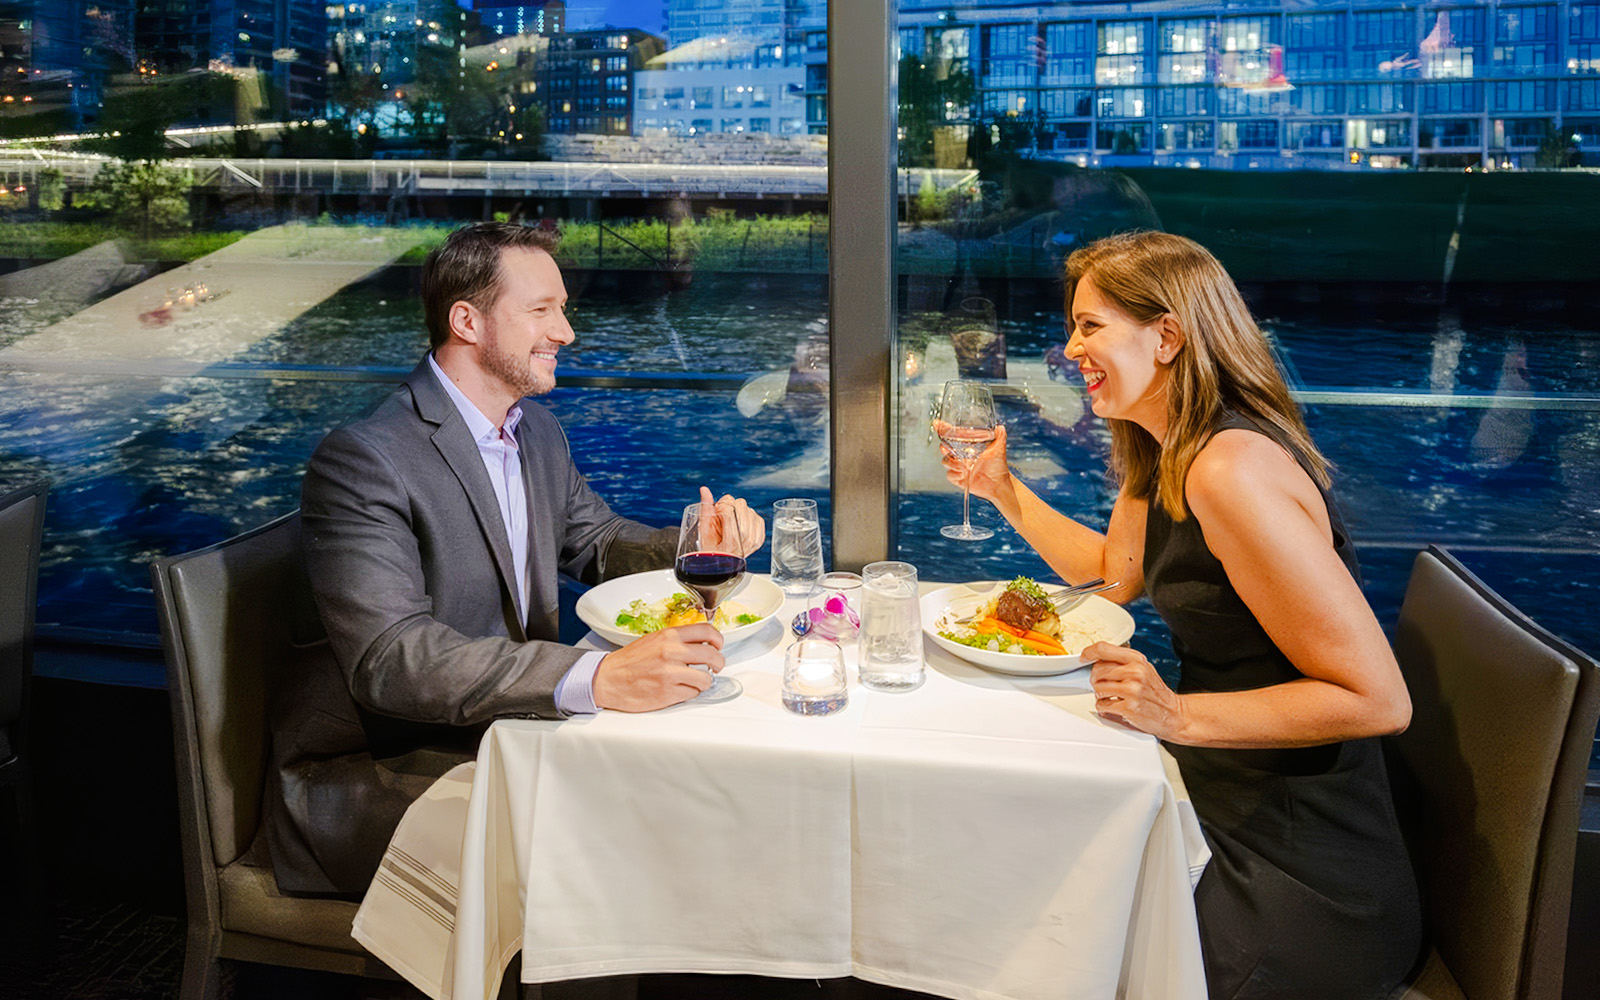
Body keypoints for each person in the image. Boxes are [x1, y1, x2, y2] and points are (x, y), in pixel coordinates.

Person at [939, 231, 1421, 999]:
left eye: (1089, 326)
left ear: (1166, 337)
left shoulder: (1231, 471)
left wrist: (1177, 714)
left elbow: (1379, 700)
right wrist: (1002, 488)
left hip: (1296, 878)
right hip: (1222, 798)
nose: (1069, 348)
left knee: (1032, 928)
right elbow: (1117, 577)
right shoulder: (1167, 448)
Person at [268, 222, 764, 896]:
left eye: (563, 309)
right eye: (541, 311)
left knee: (699, 797)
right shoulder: (364, 460)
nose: (566, 332)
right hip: (387, 772)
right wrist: (597, 676)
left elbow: (595, 541)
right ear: (467, 322)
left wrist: (695, 541)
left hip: (510, 732)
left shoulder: (535, 433)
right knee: (642, 844)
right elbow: (393, 658)